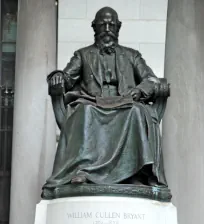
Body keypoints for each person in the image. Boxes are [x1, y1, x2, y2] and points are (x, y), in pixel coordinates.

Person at [43, 6, 168, 194]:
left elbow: (150, 79)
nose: (107, 29)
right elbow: (67, 78)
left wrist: (139, 91)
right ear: (94, 28)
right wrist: (57, 76)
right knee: (84, 112)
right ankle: (82, 170)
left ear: (118, 27)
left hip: (125, 102)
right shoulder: (83, 55)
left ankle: (133, 172)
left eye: (112, 25)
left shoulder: (132, 55)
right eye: (103, 25)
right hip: (92, 102)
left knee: (136, 112)